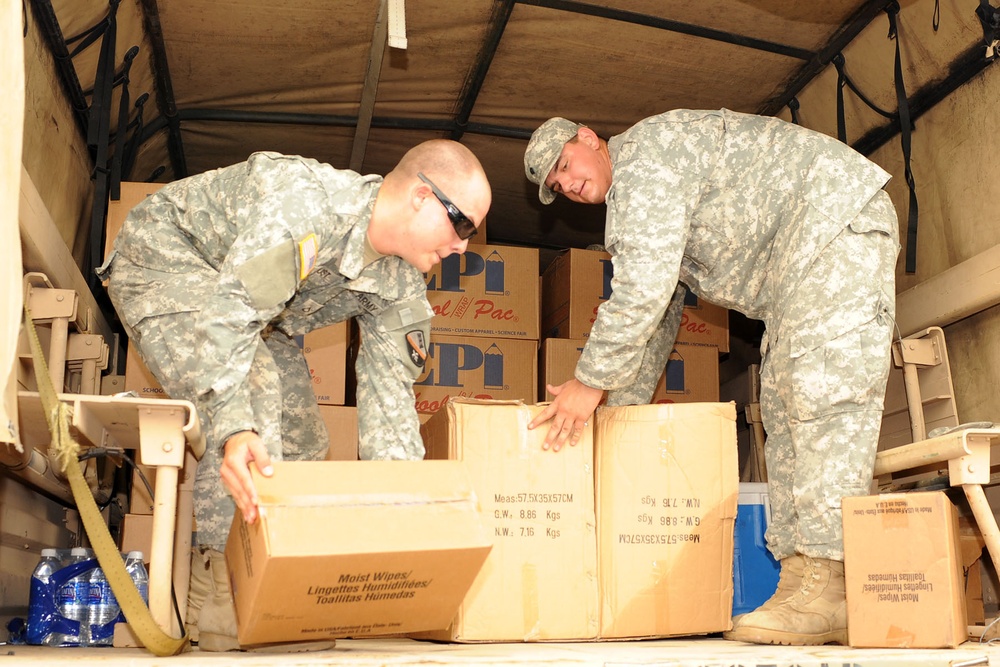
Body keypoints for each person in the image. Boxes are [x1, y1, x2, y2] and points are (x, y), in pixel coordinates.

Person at [523, 109, 898, 646]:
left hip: (834, 228)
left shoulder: (646, 160)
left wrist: (588, 384)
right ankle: (803, 580)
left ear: (589, 138)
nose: (571, 185)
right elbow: (659, 318)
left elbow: (641, 293)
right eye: (559, 187)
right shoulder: (639, 193)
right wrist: (615, 418)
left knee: (821, 402)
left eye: (566, 165)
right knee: (786, 406)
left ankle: (829, 581)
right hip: (800, 263)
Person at [98, 141, 491, 650]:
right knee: (252, 400)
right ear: (421, 195)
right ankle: (228, 600)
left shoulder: (401, 279)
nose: (464, 246)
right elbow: (229, 318)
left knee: (304, 441)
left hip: (259, 313)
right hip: (164, 264)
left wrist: (408, 513)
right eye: (463, 225)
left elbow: (391, 396)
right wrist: (235, 428)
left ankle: (276, 589)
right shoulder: (308, 208)